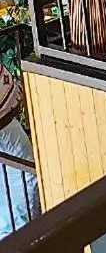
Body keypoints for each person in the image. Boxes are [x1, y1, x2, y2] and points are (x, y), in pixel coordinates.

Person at [0, 63, 39, 237]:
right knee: (26, 176)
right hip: (6, 127)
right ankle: (20, 236)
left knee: (23, 176)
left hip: (7, 126)